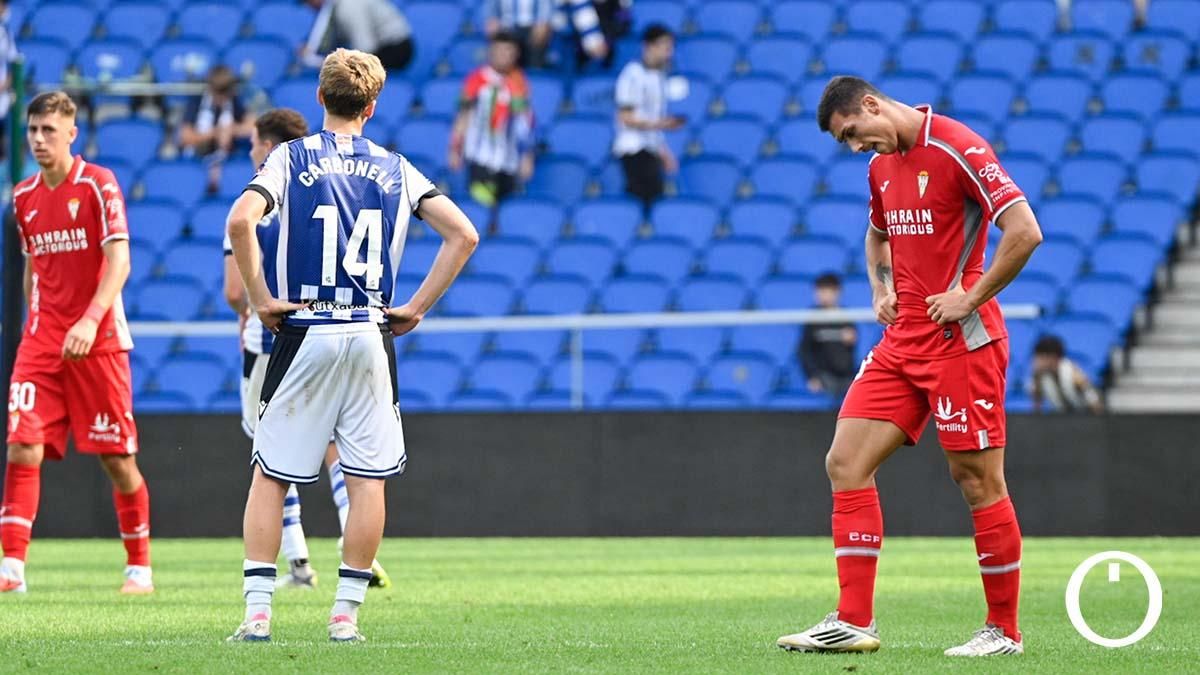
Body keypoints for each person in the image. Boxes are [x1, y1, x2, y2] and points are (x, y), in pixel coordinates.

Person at [776, 76, 1044, 657]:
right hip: (904, 343)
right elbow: (877, 240)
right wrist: (882, 288)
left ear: (871, 105)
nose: (855, 147)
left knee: (976, 480)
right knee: (845, 461)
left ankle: (1004, 632)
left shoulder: (957, 146)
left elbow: (1025, 232)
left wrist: (969, 298)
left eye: (853, 133)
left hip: (962, 341)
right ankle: (852, 621)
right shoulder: (879, 170)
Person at [225, 48, 478, 642]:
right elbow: (463, 234)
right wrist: (415, 307)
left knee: (270, 475)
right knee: (368, 480)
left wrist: (261, 297)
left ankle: (258, 615)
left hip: (305, 327)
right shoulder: (397, 168)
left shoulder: (290, 158)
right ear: (372, 105)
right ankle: (344, 619)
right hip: (369, 328)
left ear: (320, 98)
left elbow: (240, 221)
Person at [222, 108, 393, 591]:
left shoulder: (264, 188)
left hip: (275, 338)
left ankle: (295, 565)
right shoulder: (350, 184)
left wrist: (259, 301)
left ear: (267, 145)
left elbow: (235, 290)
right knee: (343, 451)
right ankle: (350, 547)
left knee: (271, 459)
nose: (253, 150)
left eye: (255, 141)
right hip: (351, 326)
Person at [2, 92, 153, 595]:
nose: (40, 140)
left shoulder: (97, 185)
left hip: (99, 340)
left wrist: (89, 319)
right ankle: (11, 569)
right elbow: (33, 267)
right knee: (23, 446)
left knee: (117, 460)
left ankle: (139, 567)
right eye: (33, 131)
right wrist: (32, 325)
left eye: (49, 130)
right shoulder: (22, 197)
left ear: (72, 133)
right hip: (42, 342)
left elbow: (120, 261)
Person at [448, 31, 535, 218]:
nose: (504, 55)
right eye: (500, 50)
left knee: (506, 213)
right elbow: (463, 116)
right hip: (480, 158)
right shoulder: (476, 80)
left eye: (509, 51)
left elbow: (524, 121)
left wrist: (527, 155)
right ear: (491, 52)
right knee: (480, 211)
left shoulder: (519, 82)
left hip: (509, 161)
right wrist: (455, 148)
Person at [613, 24, 684, 213]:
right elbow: (625, 117)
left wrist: (664, 152)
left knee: (655, 199)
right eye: (664, 47)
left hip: (651, 148)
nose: (669, 53)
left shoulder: (659, 77)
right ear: (649, 46)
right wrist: (661, 124)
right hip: (634, 149)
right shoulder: (632, 75)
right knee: (643, 200)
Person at [179, 65, 254, 194]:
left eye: (225, 93)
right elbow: (185, 137)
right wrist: (215, 133)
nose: (221, 98)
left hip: (225, 158)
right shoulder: (197, 101)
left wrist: (232, 130)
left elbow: (253, 126)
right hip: (198, 157)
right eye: (218, 92)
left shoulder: (234, 101)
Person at [300, 0, 414, 72]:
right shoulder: (334, 7)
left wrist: (330, 63)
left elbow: (366, 49)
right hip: (382, 47)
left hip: (395, 49)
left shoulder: (347, 6)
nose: (308, 6)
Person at [799, 273, 858, 399]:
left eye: (827, 290)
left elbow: (852, 347)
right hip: (824, 377)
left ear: (837, 292)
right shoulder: (813, 318)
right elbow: (804, 350)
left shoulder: (846, 317)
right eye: (820, 290)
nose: (823, 295)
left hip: (846, 376)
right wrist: (812, 376)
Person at [1027, 335, 1103, 413]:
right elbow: (1036, 406)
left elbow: (1095, 403)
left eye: (1040, 357)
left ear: (1052, 357)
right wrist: (1035, 378)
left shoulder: (1073, 373)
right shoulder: (1040, 376)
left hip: (1084, 416)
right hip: (1060, 418)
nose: (1036, 361)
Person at [485, 0, 554, 68]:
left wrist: (543, 21)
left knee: (535, 58)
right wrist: (492, 18)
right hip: (507, 26)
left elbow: (546, 5)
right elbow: (492, 6)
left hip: (533, 26)